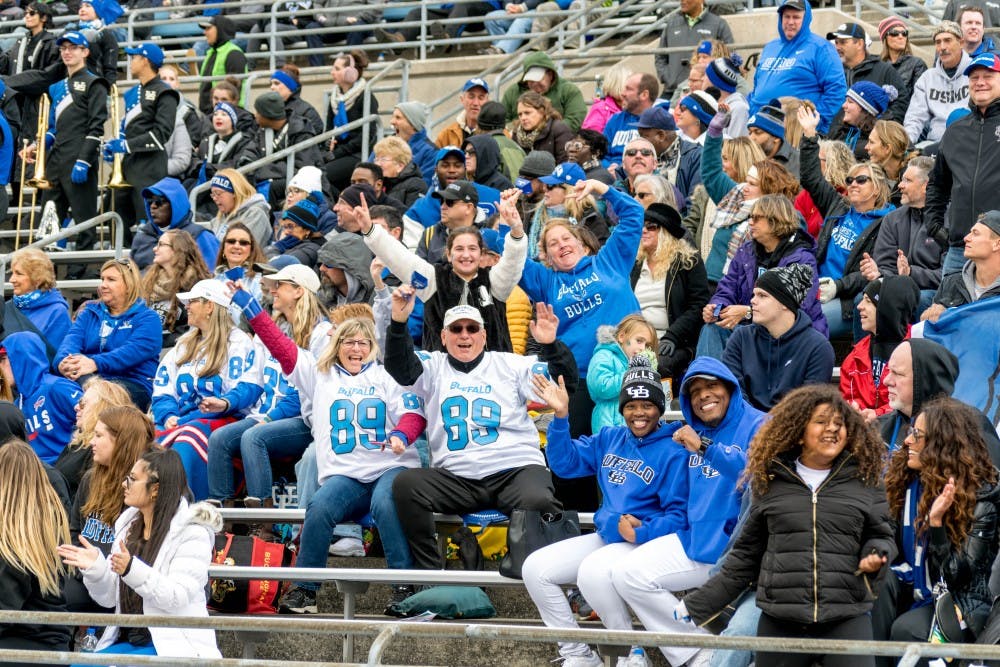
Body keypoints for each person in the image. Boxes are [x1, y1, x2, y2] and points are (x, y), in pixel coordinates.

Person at [230, 282, 426, 611]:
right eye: (349, 342)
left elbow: (412, 413)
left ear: (373, 347)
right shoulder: (317, 374)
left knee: (385, 502)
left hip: (389, 467)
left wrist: (401, 436)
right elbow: (278, 344)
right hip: (345, 475)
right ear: (336, 344)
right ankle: (305, 590)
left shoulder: (386, 375)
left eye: (363, 342)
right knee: (319, 507)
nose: (356, 349)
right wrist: (247, 303)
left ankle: (404, 586)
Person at [681, 385, 894, 667]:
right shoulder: (770, 480)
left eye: (839, 423)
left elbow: (882, 536)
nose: (832, 429)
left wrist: (876, 554)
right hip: (782, 619)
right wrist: (696, 605)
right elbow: (744, 556)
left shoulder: (865, 479)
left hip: (846, 616)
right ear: (799, 430)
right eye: (821, 422)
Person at [521, 355, 690, 667]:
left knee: (593, 571)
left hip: (643, 542)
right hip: (608, 536)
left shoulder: (674, 448)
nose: (639, 413)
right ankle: (577, 655)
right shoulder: (610, 437)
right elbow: (564, 464)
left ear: (659, 408)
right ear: (622, 408)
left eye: (648, 405)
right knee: (535, 569)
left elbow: (680, 516)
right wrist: (560, 417)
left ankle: (630, 653)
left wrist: (642, 530)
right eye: (631, 406)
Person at [386, 294, 577, 570]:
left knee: (540, 500)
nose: (465, 335)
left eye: (472, 329)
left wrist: (551, 345)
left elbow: (563, 384)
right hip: (457, 478)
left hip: (513, 470)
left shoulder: (511, 365)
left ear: (484, 335)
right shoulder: (432, 366)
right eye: (456, 329)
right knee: (406, 485)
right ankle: (430, 572)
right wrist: (399, 323)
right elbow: (401, 368)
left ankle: (551, 577)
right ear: (443, 336)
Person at [58, 449, 223, 661]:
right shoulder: (127, 526)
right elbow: (108, 599)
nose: (124, 484)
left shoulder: (193, 533)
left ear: (155, 489)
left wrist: (131, 569)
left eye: (133, 479)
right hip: (128, 640)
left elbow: (176, 597)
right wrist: (96, 569)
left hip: (174, 644)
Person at [208, 265, 330, 539]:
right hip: (271, 414)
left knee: (254, 437)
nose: (273, 290)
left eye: (281, 285)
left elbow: (309, 393)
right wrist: (227, 403)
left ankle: (264, 524)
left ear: (299, 291)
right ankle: (223, 522)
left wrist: (270, 417)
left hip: (306, 419)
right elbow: (255, 382)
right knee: (220, 439)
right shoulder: (274, 332)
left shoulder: (322, 334)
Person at [519, 179, 645, 439]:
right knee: (581, 454)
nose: (562, 244)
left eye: (566, 238)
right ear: (546, 256)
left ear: (581, 244)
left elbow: (634, 214)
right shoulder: (546, 282)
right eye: (553, 244)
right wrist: (511, 223)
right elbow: (511, 259)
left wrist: (603, 189)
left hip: (627, 371)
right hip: (579, 381)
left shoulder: (609, 261)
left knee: (632, 449)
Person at [876, 397, 1000, 656]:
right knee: (878, 584)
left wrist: (936, 525)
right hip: (912, 584)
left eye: (917, 436)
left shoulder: (980, 498)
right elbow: (885, 535)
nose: (908, 441)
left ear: (940, 445)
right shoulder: (905, 482)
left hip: (959, 602)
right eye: (911, 432)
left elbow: (959, 576)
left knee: (906, 630)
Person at [363, 188, 526, 352]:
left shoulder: (495, 282)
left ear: (481, 253)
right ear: (448, 254)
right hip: (442, 371)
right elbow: (399, 258)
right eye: (459, 249)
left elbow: (514, 260)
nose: (466, 255)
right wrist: (370, 230)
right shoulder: (433, 280)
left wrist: (516, 227)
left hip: (492, 371)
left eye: (472, 249)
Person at [798, 106, 895, 339]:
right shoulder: (839, 205)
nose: (853, 184)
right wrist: (810, 136)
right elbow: (810, 177)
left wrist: (838, 286)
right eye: (850, 179)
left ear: (877, 187)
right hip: (814, 288)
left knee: (804, 327)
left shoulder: (888, 222)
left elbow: (873, 273)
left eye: (862, 180)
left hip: (847, 301)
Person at [699, 194, 827, 361]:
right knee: (713, 328)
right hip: (750, 329)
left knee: (743, 335)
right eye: (750, 217)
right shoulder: (747, 251)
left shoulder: (801, 259)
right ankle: (708, 380)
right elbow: (727, 288)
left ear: (776, 220)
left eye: (757, 218)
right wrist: (717, 308)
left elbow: (796, 309)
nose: (750, 222)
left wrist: (748, 313)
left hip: (790, 335)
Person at [17, 31, 107, 264]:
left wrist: (85, 160)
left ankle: (84, 271)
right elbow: (53, 128)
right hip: (55, 162)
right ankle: (47, 272)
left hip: (79, 160)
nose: (67, 52)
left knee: (84, 220)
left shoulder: (94, 83)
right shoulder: (56, 87)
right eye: (63, 48)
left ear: (85, 52)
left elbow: (97, 128)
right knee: (48, 221)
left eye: (73, 47)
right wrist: (37, 146)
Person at [67, 405, 155, 613]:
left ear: (121, 442)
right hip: (85, 575)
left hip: (122, 585)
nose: (91, 442)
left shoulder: (144, 489)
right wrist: (84, 569)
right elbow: (74, 531)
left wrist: (101, 573)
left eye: (98, 435)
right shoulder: (90, 479)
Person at [923, 52, 1000, 277]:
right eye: (974, 77)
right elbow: (937, 185)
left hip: (998, 246)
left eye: (988, 76)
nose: (980, 82)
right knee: (946, 310)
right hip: (960, 248)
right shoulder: (955, 131)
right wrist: (935, 226)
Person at [723, 264, 835, 411]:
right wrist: (756, 425)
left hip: (793, 429)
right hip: (746, 427)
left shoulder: (818, 347)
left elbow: (807, 406)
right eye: (754, 294)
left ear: (785, 303)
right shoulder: (741, 338)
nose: (752, 301)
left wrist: (771, 429)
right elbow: (734, 393)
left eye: (762, 296)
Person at [55, 259, 162, 411]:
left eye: (111, 280)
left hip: (132, 383)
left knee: (96, 396)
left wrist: (94, 363)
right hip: (88, 377)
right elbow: (70, 342)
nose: (103, 285)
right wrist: (63, 362)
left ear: (128, 285)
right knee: (53, 389)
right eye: (102, 279)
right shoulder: (89, 312)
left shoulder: (148, 318)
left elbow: (130, 353)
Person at [0, 440, 73, 658]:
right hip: (45, 637)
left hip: (34, 641)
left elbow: (5, 605)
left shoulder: (19, 538)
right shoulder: (42, 522)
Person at [630, 202, 710, 382]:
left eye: (651, 227)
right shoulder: (634, 264)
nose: (644, 230)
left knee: (652, 366)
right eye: (641, 226)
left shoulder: (688, 261)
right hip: (634, 340)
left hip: (673, 342)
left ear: (667, 232)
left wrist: (673, 337)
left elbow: (699, 306)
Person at [104, 43, 179, 230]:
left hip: (149, 168)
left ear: (145, 61)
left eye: (134, 58)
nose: (130, 62)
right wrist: (115, 147)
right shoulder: (132, 93)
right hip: (129, 164)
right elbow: (127, 126)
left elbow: (160, 135)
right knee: (119, 220)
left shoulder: (165, 92)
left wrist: (126, 145)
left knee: (145, 224)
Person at [748, 0, 847, 134]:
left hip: (796, 132)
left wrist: (815, 123)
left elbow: (837, 90)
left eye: (796, 17)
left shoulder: (821, 48)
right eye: (786, 17)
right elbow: (757, 87)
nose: (790, 22)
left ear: (806, 19)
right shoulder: (770, 47)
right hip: (760, 128)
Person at [864, 156, 942, 315]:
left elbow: (949, 274)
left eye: (907, 180)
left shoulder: (949, 220)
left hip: (933, 291)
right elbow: (885, 265)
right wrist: (878, 273)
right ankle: (870, 342)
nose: (900, 185)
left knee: (920, 299)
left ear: (926, 186)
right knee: (865, 299)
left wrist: (911, 273)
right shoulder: (892, 219)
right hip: (897, 286)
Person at [840, 276, 919, 418]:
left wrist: (877, 414)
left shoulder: (917, 349)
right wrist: (856, 412)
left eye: (868, 301)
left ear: (887, 308)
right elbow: (847, 398)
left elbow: (913, 402)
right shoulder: (856, 355)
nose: (859, 306)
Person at [0, 332, 81, 464]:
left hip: (65, 474)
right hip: (34, 474)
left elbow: (94, 421)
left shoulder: (58, 387)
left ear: (22, 357)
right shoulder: (16, 404)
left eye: (2, 359)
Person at [240, 91, 323, 210]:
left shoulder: (300, 131)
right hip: (270, 182)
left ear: (268, 114)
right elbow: (249, 154)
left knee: (272, 187)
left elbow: (302, 168)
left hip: (298, 186)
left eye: (258, 111)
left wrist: (263, 171)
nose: (256, 115)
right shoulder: (263, 130)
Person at [54, 378, 133, 501]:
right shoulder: (78, 443)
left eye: (83, 403)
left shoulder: (101, 451)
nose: (76, 407)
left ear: (102, 408)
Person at [922, 211, 1000, 322]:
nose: (966, 238)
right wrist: (930, 316)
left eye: (975, 233)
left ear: (997, 244)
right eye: (970, 232)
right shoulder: (951, 282)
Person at [903, 22, 971, 146]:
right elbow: (915, 117)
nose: (942, 47)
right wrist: (906, 143)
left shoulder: (975, 72)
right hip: (935, 143)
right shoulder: (927, 78)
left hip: (968, 141)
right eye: (938, 42)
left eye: (947, 40)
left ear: (961, 43)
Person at [140, 230, 211, 349]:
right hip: (148, 350)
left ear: (177, 250)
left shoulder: (197, 286)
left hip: (182, 351)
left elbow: (192, 330)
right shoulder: (149, 281)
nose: (154, 249)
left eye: (161, 244)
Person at [827, 22, 908, 126]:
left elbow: (901, 103)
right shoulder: (833, 72)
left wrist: (878, 126)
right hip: (836, 137)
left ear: (860, 44)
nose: (837, 47)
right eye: (836, 42)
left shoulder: (883, 70)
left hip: (871, 138)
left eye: (843, 42)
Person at [133, 177, 221, 272]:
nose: (152, 206)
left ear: (176, 205)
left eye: (158, 202)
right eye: (149, 202)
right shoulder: (142, 238)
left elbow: (213, 276)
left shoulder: (200, 236)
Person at [587, 317, 658, 431]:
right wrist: (633, 374)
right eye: (639, 341)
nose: (642, 348)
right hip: (608, 423)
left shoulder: (639, 364)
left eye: (647, 345)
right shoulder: (604, 355)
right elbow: (601, 387)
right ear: (621, 337)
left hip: (634, 424)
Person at [654, 0, 733, 100]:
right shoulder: (672, 23)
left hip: (703, 92)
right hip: (671, 90)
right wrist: (668, 78)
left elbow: (729, 55)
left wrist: (708, 80)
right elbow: (660, 55)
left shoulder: (718, 24)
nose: (682, 1)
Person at [323, 51, 378, 192]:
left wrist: (337, 153)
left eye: (337, 69)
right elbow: (329, 130)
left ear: (351, 72)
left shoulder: (366, 97)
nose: (332, 72)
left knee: (322, 176)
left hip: (357, 153)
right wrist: (329, 142)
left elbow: (367, 136)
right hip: (340, 153)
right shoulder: (334, 98)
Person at [4, 248, 71, 360]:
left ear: (37, 278)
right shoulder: (6, 308)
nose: (11, 279)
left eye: (18, 274)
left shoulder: (57, 312)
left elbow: (56, 359)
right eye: (12, 273)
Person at [529, 162, 610, 255]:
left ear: (569, 190)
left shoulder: (591, 219)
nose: (545, 190)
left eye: (550, 186)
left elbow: (598, 256)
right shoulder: (533, 214)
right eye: (545, 185)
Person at [501, 52, 587, 132]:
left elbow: (575, 120)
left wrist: (545, 131)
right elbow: (502, 121)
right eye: (530, 80)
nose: (535, 84)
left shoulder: (568, 90)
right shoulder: (513, 92)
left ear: (550, 74)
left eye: (538, 79)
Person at [212, 222, 266, 326]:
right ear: (223, 248)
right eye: (231, 241)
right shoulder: (215, 279)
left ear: (251, 250)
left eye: (243, 243)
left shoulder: (259, 281)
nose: (237, 246)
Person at [602, 72, 658, 170]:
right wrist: (609, 168)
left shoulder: (659, 121)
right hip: (611, 177)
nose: (622, 93)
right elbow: (601, 155)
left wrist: (622, 170)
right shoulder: (615, 120)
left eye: (628, 89)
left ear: (644, 95)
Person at [194, 101, 255, 190]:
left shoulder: (243, 141)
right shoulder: (206, 142)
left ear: (233, 120)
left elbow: (234, 164)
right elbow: (195, 162)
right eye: (215, 114)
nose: (218, 117)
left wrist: (207, 168)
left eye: (224, 114)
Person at [831, 82, 898, 161]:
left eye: (850, 102)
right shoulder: (842, 129)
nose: (844, 105)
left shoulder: (886, 137)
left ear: (866, 111)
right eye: (846, 101)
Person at [195, 15, 247, 115]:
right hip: (210, 114)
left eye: (208, 28)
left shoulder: (234, 54)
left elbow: (234, 91)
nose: (204, 32)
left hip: (225, 115)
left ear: (220, 30)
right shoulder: (211, 52)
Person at [208, 169, 272, 247]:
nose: (214, 198)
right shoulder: (217, 220)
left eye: (218, 193)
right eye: (213, 194)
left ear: (235, 192)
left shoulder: (255, 214)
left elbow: (243, 248)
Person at [877, 17, 927, 106]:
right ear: (885, 38)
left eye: (904, 33)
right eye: (895, 33)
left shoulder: (917, 64)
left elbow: (919, 101)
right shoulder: (877, 65)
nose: (900, 36)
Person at [512, 91, 573, 164]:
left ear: (542, 111)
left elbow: (565, 164)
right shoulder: (517, 133)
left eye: (527, 113)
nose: (523, 118)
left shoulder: (558, 129)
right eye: (520, 114)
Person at [268, 194, 327, 268]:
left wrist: (276, 248)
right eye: (284, 227)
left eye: (290, 226)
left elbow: (278, 267)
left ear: (307, 230)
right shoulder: (287, 245)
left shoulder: (311, 249)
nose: (286, 232)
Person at [391, 101, 438, 188]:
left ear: (413, 124)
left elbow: (423, 187)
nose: (392, 122)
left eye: (398, 118)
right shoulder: (386, 145)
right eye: (393, 117)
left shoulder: (430, 152)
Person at [436, 78, 490, 149]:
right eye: (471, 96)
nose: (475, 103)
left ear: (488, 102)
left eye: (481, 98)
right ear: (462, 99)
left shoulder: (497, 133)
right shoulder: (447, 135)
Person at [373, 136, 427, 208]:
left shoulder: (416, 185)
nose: (378, 164)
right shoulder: (377, 185)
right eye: (376, 159)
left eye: (383, 159)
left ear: (400, 166)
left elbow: (411, 217)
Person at [270, 65, 322, 137]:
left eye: (277, 83)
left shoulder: (307, 111)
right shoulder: (270, 109)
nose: (272, 87)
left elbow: (316, 140)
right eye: (271, 84)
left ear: (289, 86)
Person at [581, 63, 631, 134]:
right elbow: (591, 139)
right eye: (628, 86)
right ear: (618, 86)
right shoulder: (601, 108)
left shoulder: (631, 108)